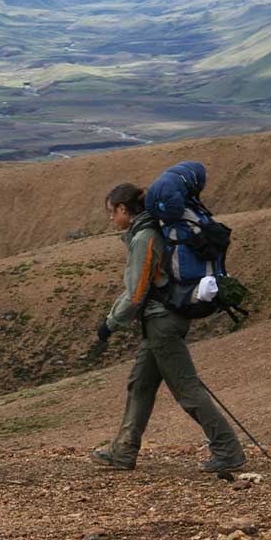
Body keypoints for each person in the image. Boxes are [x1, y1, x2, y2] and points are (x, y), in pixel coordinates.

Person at [90, 182, 246, 473]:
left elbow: (136, 292)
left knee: (187, 389)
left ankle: (228, 450)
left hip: (162, 322)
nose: (111, 219)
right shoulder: (149, 231)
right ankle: (123, 451)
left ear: (123, 209)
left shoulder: (145, 236)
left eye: (112, 212)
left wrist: (110, 324)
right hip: (160, 320)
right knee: (141, 384)